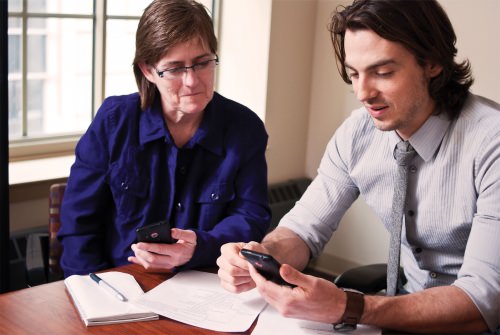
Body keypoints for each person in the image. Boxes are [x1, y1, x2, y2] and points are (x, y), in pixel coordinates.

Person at [217, 0, 500, 334]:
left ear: (433, 63)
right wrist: (263, 253)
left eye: (382, 72)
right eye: (354, 73)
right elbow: (304, 228)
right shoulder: (357, 132)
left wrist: (349, 306)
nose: (363, 93)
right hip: (401, 313)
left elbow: (483, 301)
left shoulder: (490, 142)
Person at [58, 0, 271, 277]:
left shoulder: (246, 128)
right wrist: (92, 289)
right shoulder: (113, 122)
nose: (192, 81)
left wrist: (199, 247)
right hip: (119, 283)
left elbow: (251, 217)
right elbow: (78, 226)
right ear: (148, 70)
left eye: (202, 63)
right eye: (175, 68)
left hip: (207, 283)